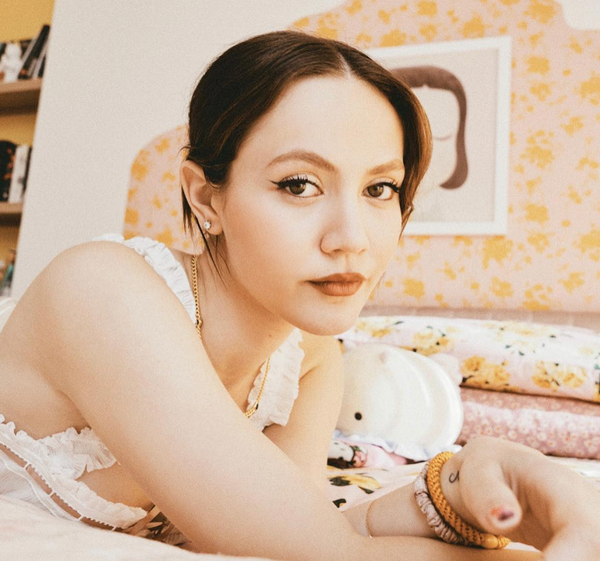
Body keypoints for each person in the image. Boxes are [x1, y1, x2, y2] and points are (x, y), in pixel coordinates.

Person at [0, 30, 598, 561]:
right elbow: (321, 555)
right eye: (299, 184)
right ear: (206, 198)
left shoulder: (307, 355)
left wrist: (455, 490)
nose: (350, 239)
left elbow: (303, 532)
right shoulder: (104, 290)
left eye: (380, 188)